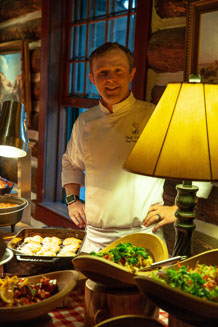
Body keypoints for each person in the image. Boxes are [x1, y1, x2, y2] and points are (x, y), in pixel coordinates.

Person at [61, 42, 211, 253]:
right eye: (103, 73)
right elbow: (71, 163)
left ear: (131, 74)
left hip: (143, 236)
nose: (110, 79)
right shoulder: (85, 122)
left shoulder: (154, 117)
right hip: (96, 239)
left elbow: (197, 161)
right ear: (92, 79)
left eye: (118, 71)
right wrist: (72, 201)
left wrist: (176, 209)